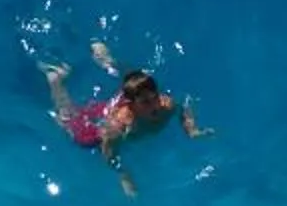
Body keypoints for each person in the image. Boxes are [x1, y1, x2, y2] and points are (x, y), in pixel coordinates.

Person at [42, 40, 210, 197]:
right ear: (131, 105)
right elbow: (108, 152)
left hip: (124, 104)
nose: (154, 106)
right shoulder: (120, 126)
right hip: (106, 118)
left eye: (155, 98)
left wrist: (191, 130)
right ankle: (56, 80)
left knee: (137, 79)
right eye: (146, 102)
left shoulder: (165, 104)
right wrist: (123, 175)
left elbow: (183, 108)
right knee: (70, 122)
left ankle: (107, 60)